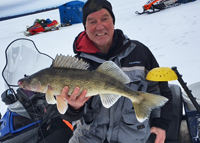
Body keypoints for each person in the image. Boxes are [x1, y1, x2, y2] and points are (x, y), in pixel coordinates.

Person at [59, 0, 173, 143]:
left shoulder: (139, 52)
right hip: (88, 138)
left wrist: (160, 124)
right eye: (92, 22)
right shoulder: (77, 66)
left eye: (104, 19)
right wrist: (74, 108)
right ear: (85, 27)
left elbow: (159, 90)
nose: (99, 27)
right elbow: (66, 116)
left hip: (133, 138)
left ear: (113, 21)